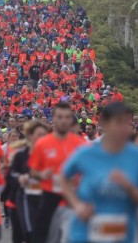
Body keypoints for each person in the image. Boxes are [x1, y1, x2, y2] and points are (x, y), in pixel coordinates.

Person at [60, 102, 138, 243]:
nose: (124, 128)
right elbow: (63, 177)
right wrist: (76, 205)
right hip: (84, 235)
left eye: (127, 123)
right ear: (104, 123)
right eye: (118, 122)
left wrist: (129, 187)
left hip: (121, 236)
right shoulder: (86, 153)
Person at [29, 103, 85, 243]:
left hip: (73, 197)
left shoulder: (81, 145)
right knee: (41, 236)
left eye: (67, 117)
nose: (64, 120)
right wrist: (41, 175)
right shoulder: (42, 144)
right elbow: (33, 171)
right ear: (53, 119)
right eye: (60, 117)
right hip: (50, 196)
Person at [7, 121, 49, 243]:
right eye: (39, 134)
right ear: (30, 136)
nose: (41, 138)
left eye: (44, 135)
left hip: (45, 197)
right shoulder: (21, 155)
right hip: (25, 197)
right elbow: (11, 174)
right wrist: (20, 177)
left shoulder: (50, 154)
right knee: (30, 233)